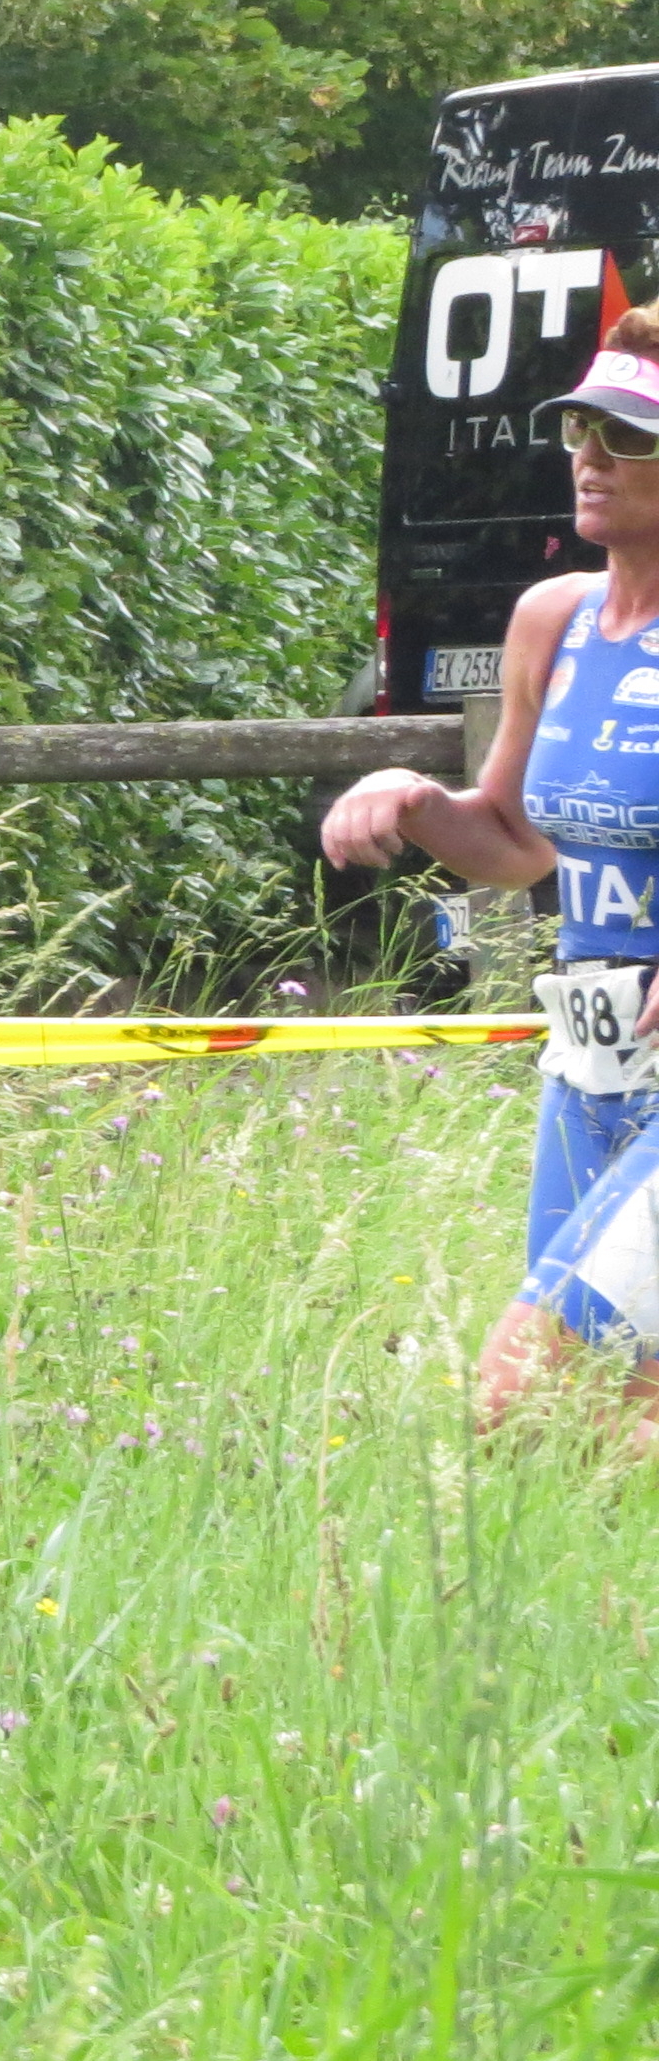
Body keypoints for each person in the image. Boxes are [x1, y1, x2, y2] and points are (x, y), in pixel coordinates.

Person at [325, 302, 659, 1442]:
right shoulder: (550, 621)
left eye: (631, 438)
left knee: (518, 1395)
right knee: (610, 1407)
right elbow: (515, 843)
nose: (591, 460)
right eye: (579, 430)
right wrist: (416, 804)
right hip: (590, 1054)